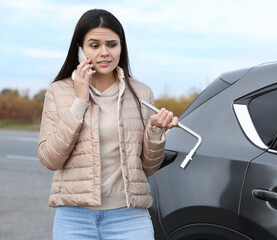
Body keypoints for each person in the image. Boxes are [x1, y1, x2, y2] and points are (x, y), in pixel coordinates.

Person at [37, 9, 178, 240]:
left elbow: (149, 168)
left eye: (112, 45)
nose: (104, 53)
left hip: (129, 216)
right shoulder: (58, 91)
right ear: (80, 49)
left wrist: (154, 131)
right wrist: (80, 101)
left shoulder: (141, 93)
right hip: (74, 218)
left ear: (121, 47)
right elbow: (50, 159)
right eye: (94, 45)